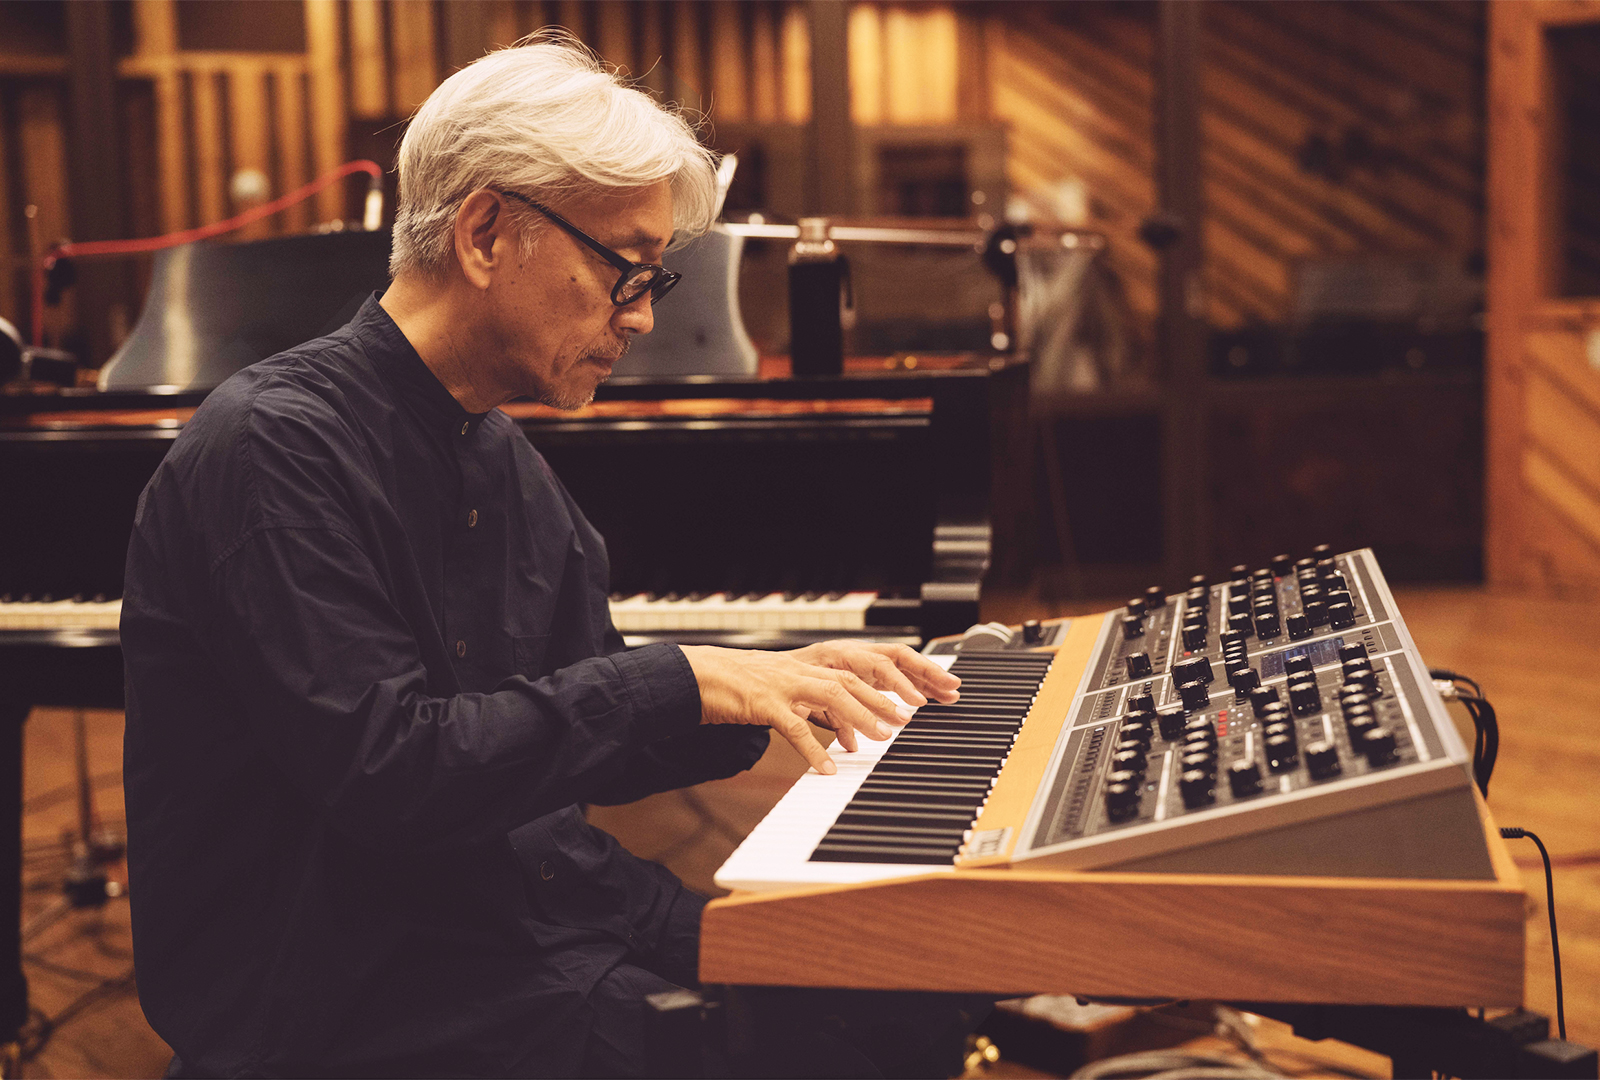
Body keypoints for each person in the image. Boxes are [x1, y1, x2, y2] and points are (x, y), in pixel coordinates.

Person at [121, 33, 963, 1078]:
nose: (645, 316)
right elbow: (393, 774)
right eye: (624, 270)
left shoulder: (497, 447)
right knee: (788, 1045)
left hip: (529, 907)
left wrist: (780, 691)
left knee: (893, 984)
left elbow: (585, 733)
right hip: (355, 979)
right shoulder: (271, 446)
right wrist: (676, 679)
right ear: (485, 233)